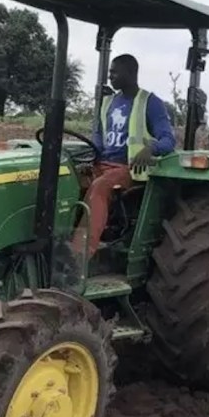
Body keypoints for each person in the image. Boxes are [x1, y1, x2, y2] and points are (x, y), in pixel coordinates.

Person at [69, 53, 176, 262]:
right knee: (69, 181)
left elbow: (168, 140)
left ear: (130, 73)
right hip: (103, 163)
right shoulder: (108, 103)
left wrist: (150, 149)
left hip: (130, 169)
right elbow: (99, 140)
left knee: (100, 187)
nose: (110, 77)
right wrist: (87, 161)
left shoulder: (150, 102)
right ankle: (57, 243)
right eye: (109, 72)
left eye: (114, 72)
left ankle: (78, 256)